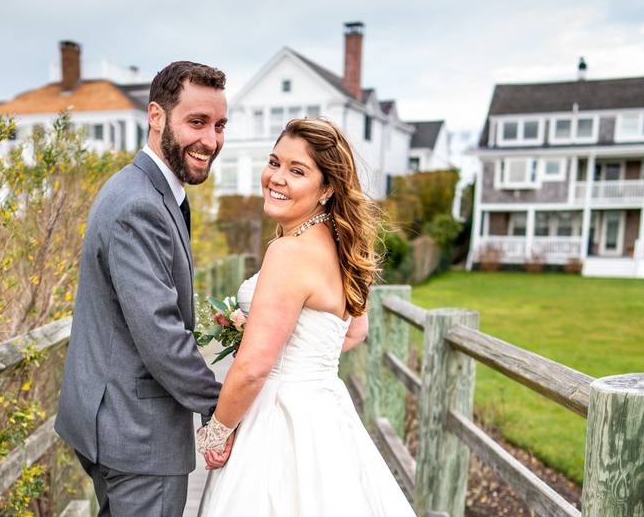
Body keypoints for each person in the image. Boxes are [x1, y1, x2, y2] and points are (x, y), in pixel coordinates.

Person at [196, 118, 416, 516]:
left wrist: (216, 433)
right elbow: (355, 332)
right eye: (274, 162)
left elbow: (252, 368)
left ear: (327, 188)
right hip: (325, 412)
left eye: (297, 171)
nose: (276, 178)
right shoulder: (343, 250)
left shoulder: (289, 252)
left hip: (277, 421)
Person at [55, 61, 232, 516]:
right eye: (197, 122)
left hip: (119, 421)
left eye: (219, 125)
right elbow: (160, 332)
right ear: (156, 117)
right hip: (136, 435)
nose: (210, 141)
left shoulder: (150, 191)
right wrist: (220, 409)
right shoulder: (139, 204)